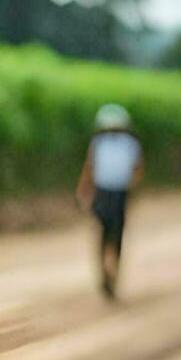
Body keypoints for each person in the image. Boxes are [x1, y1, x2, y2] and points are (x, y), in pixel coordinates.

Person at [75, 103, 143, 299]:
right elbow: (89, 167)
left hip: (119, 193)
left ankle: (113, 274)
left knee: (117, 233)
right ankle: (105, 273)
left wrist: (132, 189)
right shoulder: (99, 143)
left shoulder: (130, 144)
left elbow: (137, 169)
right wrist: (84, 190)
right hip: (103, 193)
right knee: (104, 233)